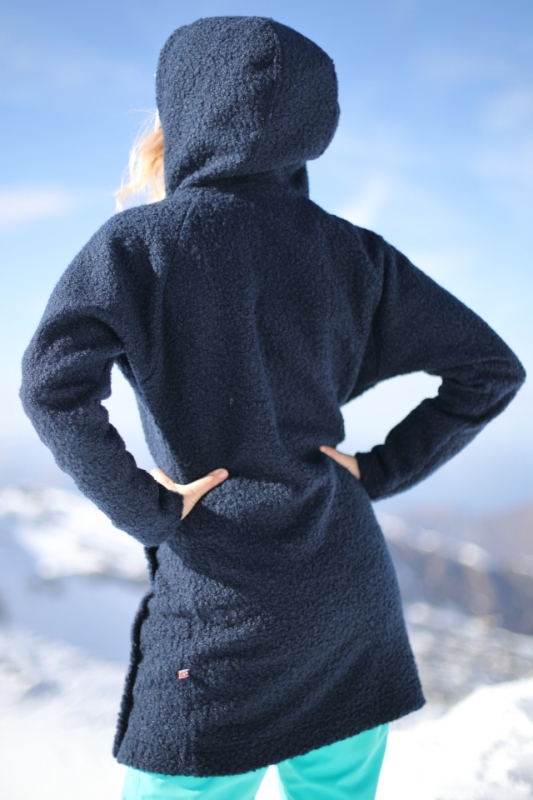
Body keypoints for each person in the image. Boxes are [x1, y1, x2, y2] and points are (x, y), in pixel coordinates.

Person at [19, 15, 525, 800]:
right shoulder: (355, 253)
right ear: (310, 124)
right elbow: (488, 370)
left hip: (223, 600)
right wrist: (379, 471)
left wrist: (146, 508)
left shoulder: (140, 245)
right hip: (349, 598)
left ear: (185, 109)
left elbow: (52, 387)